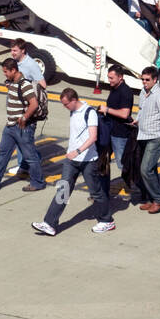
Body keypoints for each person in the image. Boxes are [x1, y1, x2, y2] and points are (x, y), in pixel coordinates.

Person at [32, 89, 115, 236]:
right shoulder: (72, 112)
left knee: (96, 191)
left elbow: (93, 137)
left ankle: (107, 220)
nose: (65, 107)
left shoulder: (90, 113)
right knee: (63, 190)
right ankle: (49, 223)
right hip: (71, 160)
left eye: (66, 104)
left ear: (74, 100)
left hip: (88, 160)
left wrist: (77, 151)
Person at [0, 59, 46, 191]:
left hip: (22, 127)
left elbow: (34, 104)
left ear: (13, 70)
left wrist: (24, 117)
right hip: (10, 126)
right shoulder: (13, 82)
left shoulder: (24, 85)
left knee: (30, 157)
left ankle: (38, 183)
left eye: (6, 72)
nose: (4, 74)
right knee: (3, 154)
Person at [130, 66, 160, 214]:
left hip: (155, 137)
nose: (144, 82)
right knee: (151, 169)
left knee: (145, 169)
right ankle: (152, 198)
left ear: (155, 80)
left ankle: (159, 198)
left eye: (147, 80)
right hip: (143, 135)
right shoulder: (143, 92)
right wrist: (137, 120)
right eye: (143, 79)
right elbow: (141, 109)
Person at [3, 39, 44, 178]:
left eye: (15, 50)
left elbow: (42, 84)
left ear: (23, 50)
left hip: (26, 110)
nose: (12, 53)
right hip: (16, 108)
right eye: (11, 50)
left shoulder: (31, 65)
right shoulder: (16, 64)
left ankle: (27, 166)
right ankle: (27, 165)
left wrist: (25, 87)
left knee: (24, 141)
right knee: (23, 141)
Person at [97, 64, 134, 195]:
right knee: (102, 162)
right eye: (108, 77)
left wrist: (106, 110)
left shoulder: (126, 91)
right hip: (109, 131)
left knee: (122, 164)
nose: (109, 80)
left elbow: (124, 114)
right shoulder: (114, 88)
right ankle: (101, 193)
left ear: (120, 77)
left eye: (112, 78)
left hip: (120, 134)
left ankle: (131, 188)